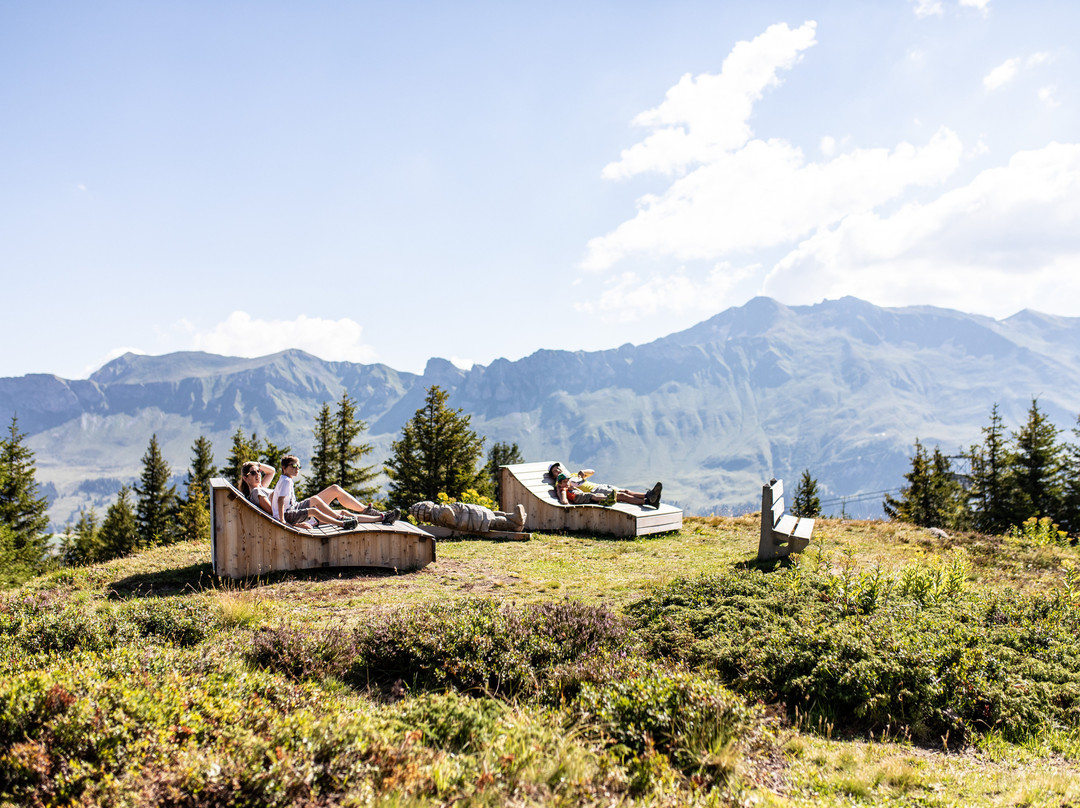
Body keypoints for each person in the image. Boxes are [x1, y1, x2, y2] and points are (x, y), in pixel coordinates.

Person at [271, 455, 401, 530]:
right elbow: (280, 502)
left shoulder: (284, 480)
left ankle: (380, 516)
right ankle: (379, 517)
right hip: (305, 518)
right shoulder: (285, 481)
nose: (297, 469)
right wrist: (285, 521)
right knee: (344, 512)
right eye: (294, 466)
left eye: (299, 466)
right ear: (284, 468)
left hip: (298, 512)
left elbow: (278, 501)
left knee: (328, 493)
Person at [548, 462, 662, 508]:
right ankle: (648, 501)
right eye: (555, 471)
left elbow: (592, 471)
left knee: (625, 491)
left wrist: (584, 471)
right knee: (621, 496)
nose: (558, 470)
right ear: (554, 476)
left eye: (558, 468)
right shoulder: (561, 482)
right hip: (594, 491)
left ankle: (649, 495)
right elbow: (562, 491)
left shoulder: (572, 475)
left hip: (599, 485)